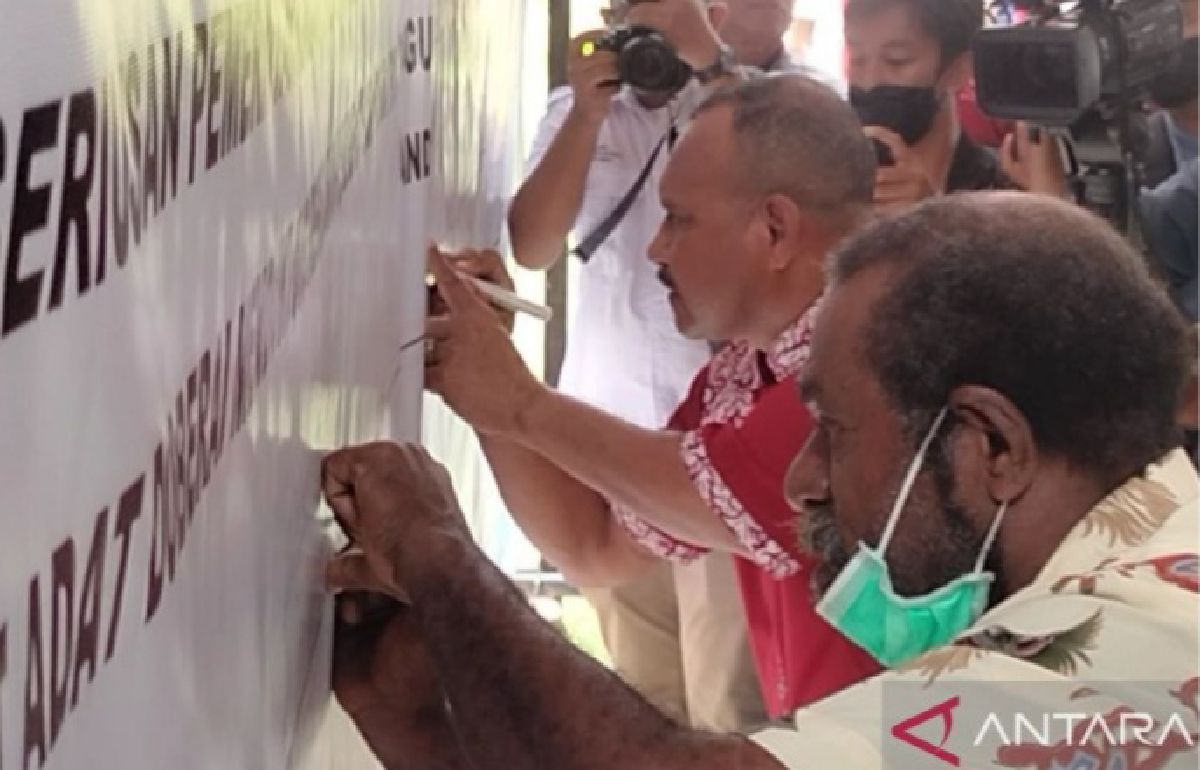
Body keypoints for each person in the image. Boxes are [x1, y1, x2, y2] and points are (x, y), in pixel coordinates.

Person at [326, 192, 1198, 769]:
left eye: (834, 432)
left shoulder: (1126, 662)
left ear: (993, 445)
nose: (801, 482)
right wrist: (424, 729)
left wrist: (437, 555)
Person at [441, 72, 882, 720]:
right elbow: (593, 545)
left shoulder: (856, 372)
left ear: (775, 230)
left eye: (677, 218)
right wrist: (492, 390)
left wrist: (511, 400)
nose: (656, 247)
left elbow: (629, 522)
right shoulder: (748, 369)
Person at [506, 0, 797, 732]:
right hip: (606, 440)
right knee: (642, 706)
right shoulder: (582, 111)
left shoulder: (761, 107)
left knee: (729, 710)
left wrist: (708, 62)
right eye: (632, 10)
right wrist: (585, 117)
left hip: (714, 456)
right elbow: (531, 246)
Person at [843, 0, 1065, 210]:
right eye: (857, 59)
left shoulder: (1005, 194)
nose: (869, 81)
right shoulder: (835, 181)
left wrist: (931, 218)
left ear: (961, 70)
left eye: (897, 61)